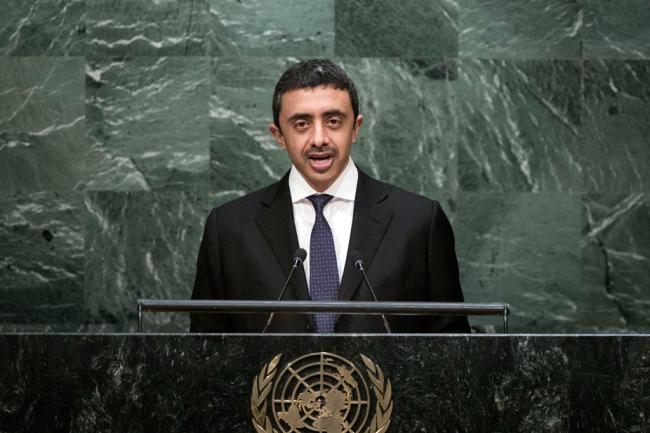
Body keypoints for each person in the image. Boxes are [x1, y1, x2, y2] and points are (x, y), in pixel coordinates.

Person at [190, 59, 470, 333]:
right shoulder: (229, 229)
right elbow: (204, 349)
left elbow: (453, 346)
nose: (319, 139)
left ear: (355, 128)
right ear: (279, 135)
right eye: (301, 124)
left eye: (333, 121)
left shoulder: (418, 223)